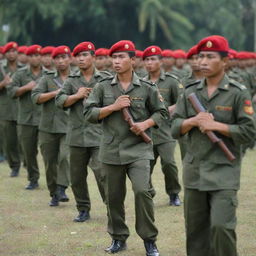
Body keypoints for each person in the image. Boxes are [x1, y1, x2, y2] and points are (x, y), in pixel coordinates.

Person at [171, 35, 256, 256]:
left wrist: (217, 126)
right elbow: (174, 127)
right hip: (194, 171)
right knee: (196, 233)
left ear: (225, 61)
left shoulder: (237, 92)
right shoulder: (189, 91)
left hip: (224, 171)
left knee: (221, 227)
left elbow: (249, 132)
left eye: (210, 57)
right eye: (201, 57)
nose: (203, 62)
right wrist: (192, 121)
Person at [84, 40, 168, 256]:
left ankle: (149, 240)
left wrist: (145, 124)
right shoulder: (102, 87)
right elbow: (89, 114)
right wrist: (112, 107)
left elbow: (162, 112)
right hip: (111, 151)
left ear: (133, 60)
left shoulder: (147, 88)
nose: (117, 61)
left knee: (142, 191)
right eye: (114, 57)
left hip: (138, 149)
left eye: (122, 57)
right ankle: (118, 238)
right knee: (113, 197)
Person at [55, 42, 109, 222]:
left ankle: (111, 207)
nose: (81, 59)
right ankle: (83, 209)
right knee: (77, 177)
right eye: (78, 56)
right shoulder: (71, 80)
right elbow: (59, 101)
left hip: (98, 135)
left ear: (93, 57)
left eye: (85, 55)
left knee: (102, 173)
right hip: (76, 136)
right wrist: (76, 96)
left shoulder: (105, 79)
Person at [31, 46, 71, 206]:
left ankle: (62, 187)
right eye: (58, 58)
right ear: (54, 61)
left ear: (70, 59)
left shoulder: (76, 77)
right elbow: (35, 97)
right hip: (48, 127)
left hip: (69, 126)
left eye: (64, 57)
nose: (61, 61)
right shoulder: (47, 78)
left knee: (65, 157)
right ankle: (54, 192)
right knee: (49, 162)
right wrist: (54, 93)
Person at [143, 45, 182, 206]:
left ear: (161, 62)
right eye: (146, 60)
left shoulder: (171, 81)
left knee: (169, 163)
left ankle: (173, 194)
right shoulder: (140, 82)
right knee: (145, 166)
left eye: (153, 59)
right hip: (146, 132)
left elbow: (182, 102)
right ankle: (149, 192)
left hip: (166, 131)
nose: (149, 63)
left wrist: (170, 109)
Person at [7, 45, 43, 190]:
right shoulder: (20, 74)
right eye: (32, 55)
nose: (35, 58)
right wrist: (26, 88)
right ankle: (33, 178)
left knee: (49, 152)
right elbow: (11, 92)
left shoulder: (49, 74)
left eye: (37, 55)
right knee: (29, 151)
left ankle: (57, 183)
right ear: (27, 57)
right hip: (26, 118)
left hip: (45, 118)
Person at [0, 42, 23, 176]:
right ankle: (15, 166)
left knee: (23, 140)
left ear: (17, 53)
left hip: (23, 109)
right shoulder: (1, 68)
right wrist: (3, 83)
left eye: (14, 51)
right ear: (5, 54)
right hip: (6, 109)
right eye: (9, 51)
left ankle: (25, 161)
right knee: (9, 140)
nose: (11, 54)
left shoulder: (24, 69)